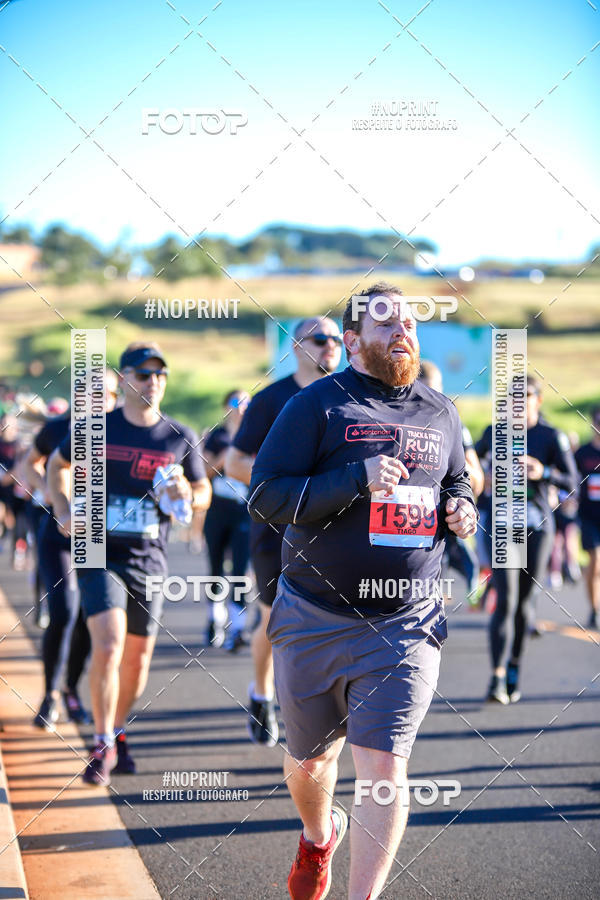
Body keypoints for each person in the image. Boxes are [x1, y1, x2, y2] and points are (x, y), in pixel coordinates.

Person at [248, 283, 477, 900]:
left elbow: (458, 483)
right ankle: (320, 835)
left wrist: (461, 509)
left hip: (406, 622)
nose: (402, 331)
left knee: (382, 769)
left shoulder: (441, 412)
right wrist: (356, 478)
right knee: (310, 765)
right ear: (352, 342)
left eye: (408, 322)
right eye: (384, 323)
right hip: (315, 615)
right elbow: (266, 497)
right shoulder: (316, 407)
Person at [47, 343, 211, 786]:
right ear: (124, 380)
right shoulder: (95, 427)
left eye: (160, 374)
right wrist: (62, 510)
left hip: (148, 555)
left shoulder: (179, 434)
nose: (153, 382)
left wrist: (187, 496)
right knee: (109, 642)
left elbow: (203, 491)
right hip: (96, 547)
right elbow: (56, 466)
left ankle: (117, 730)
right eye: (143, 374)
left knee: (136, 664)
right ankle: (100, 741)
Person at [225, 317, 342, 746]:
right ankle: (262, 694)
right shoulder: (273, 398)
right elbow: (235, 463)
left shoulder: (349, 393)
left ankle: (316, 708)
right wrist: (287, 488)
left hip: (334, 533)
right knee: (275, 618)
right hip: (278, 529)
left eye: (335, 339)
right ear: (297, 346)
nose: (330, 346)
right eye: (320, 339)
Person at [24, 376, 119, 730]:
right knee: (62, 610)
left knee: (86, 619)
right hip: (59, 534)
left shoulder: (122, 432)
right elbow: (29, 465)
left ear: (114, 397)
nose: (93, 400)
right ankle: (49, 695)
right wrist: (54, 497)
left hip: (102, 540)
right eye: (85, 394)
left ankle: (70, 688)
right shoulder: (58, 430)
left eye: (102, 394)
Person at [477, 375, 578, 704]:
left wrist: (543, 472)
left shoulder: (550, 436)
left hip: (537, 526)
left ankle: (514, 667)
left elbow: (573, 479)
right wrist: (482, 477)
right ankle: (495, 677)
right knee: (504, 599)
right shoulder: (495, 432)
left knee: (523, 603)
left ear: (538, 400)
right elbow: (466, 464)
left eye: (526, 396)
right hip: (502, 524)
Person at [419, 360, 484, 602]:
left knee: (433, 604)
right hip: (400, 529)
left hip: (439, 527)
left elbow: (476, 479)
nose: (430, 399)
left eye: (436, 391)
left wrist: (441, 465)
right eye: (423, 392)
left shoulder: (453, 423)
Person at [202, 389, 251, 650]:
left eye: (246, 402)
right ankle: (214, 620)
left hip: (244, 511)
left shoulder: (256, 436)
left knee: (241, 570)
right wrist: (228, 454)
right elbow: (204, 472)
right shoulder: (217, 437)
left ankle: (239, 626)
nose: (241, 407)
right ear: (226, 407)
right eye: (235, 402)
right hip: (217, 509)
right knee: (216, 567)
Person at [574, 406, 600, 630]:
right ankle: (594, 609)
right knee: (596, 560)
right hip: (589, 517)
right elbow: (570, 480)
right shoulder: (583, 454)